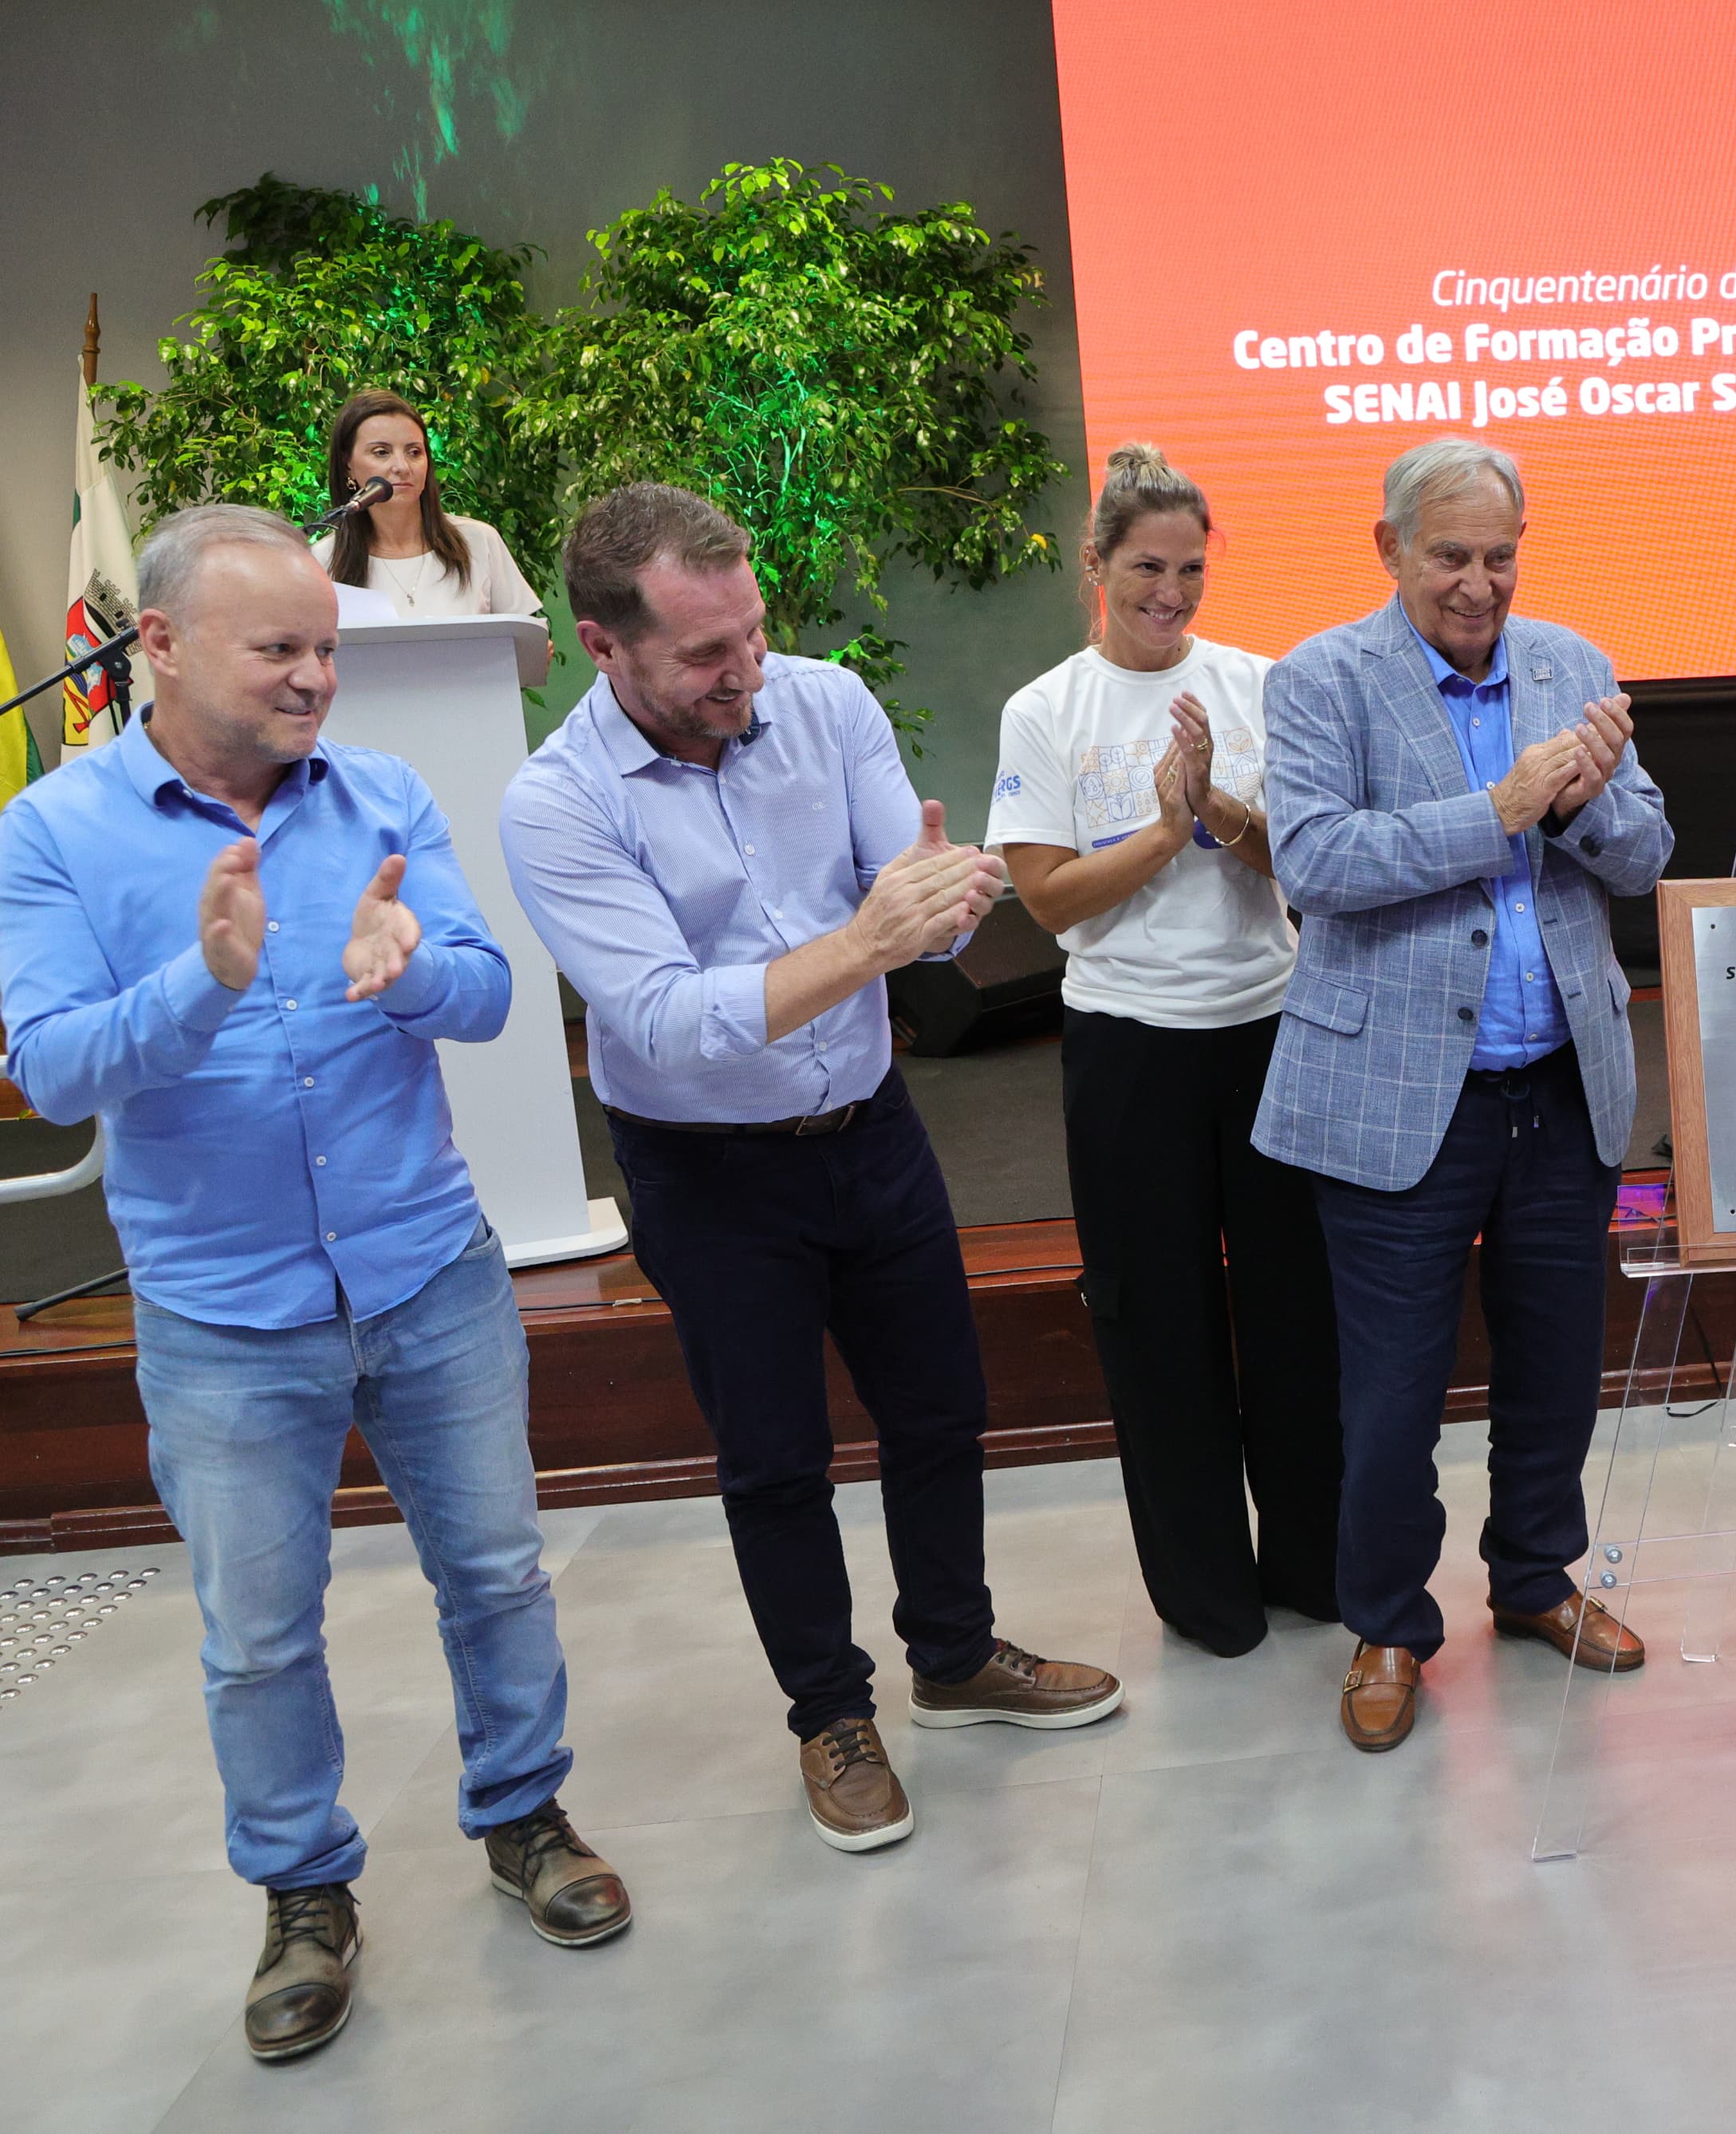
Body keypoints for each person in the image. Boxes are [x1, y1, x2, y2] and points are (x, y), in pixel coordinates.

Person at [0, 506, 624, 2065]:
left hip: (428, 1270)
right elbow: (54, 1068)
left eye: (327, 648)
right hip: (221, 1316)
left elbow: (488, 995)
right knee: (261, 1636)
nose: (315, 678)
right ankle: (303, 1894)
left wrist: (413, 971)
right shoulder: (55, 831)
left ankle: (526, 1815)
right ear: (159, 643)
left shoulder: (385, 794)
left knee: (497, 1572)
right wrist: (201, 981)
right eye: (279, 647)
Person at [498, 483, 1121, 1852]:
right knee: (775, 1456)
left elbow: (919, 904)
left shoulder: (828, 704)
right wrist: (871, 938)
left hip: (870, 1126)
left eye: (754, 630)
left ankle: (953, 1652)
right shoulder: (557, 804)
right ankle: (830, 1714)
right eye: (704, 653)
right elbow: (665, 1020)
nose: (747, 670)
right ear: (604, 648)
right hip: (706, 1171)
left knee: (942, 1411)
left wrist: (948, 905)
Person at [1253, 437, 1672, 1754]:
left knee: (1556, 1370)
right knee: (1390, 1396)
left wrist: (1585, 804)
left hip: (1561, 1087)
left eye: (1500, 556)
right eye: (1450, 556)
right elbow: (1316, 861)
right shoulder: (1320, 678)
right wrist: (1502, 805)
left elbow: (1646, 855)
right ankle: (1387, 1623)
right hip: (1395, 1097)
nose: (1479, 584)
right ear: (1388, 548)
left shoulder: (1573, 663)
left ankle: (1537, 1578)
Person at [990, 444, 1341, 1658]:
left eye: (1191, 569)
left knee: (1297, 1314)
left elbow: (1310, 864)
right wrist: (1162, 829)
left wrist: (1223, 813)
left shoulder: (1259, 683)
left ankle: (1313, 1563)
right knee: (1158, 1328)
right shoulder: (1046, 709)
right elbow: (1048, 900)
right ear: (1095, 565)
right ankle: (1206, 1595)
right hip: (1129, 1051)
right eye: (1148, 568)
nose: (1172, 593)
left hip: (1269, 1028)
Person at [310, 391, 544, 621]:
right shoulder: (323, 560)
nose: (402, 467)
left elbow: (528, 637)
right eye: (381, 452)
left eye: (414, 452)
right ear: (348, 465)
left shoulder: (478, 541)